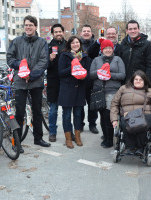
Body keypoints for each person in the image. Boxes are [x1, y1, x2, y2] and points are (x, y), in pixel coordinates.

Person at [7, 15, 51, 153]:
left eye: (31, 25)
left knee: (37, 111)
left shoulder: (42, 42)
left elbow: (44, 61)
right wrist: (20, 65)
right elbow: (9, 58)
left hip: (36, 82)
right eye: (26, 25)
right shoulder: (16, 41)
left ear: (35, 27)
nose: (28, 27)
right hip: (20, 82)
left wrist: (31, 75)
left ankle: (38, 138)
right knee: (19, 113)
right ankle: (17, 141)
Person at [110, 70, 151, 155]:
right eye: (136, 79)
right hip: (127, 115)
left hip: (145, 114)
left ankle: (141, 147)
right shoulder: (123, 89)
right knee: (126, 125)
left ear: (145, 81)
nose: (138, 81)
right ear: (132, 80)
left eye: (141, 80)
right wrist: (114, 120)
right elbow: (114, 104)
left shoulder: (150, 92)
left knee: (141, 125)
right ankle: (131, 147)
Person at [90, 39, 126, 148]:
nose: (108, 50)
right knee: (102, 115)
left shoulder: (117, 59)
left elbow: (122, 75)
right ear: (102, 49)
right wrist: (99, 72)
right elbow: (91, 75)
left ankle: (110, 139)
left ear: (113, 49)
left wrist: (110, 74)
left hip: (112, 91)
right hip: (99, 91)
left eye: (110, 48)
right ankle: (105, 136)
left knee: (109, 116)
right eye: (105, 48)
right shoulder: (96, 60)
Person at [58, 36, 91, 149]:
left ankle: (77, 136)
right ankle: (68, 138)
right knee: (66, 115)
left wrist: (83, 76)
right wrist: (73, 65)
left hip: (79, 89)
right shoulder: (64, 55)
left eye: (77, 42)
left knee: (78, 114)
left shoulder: (85, 56)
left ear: (80, 44)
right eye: (72, 43)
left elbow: (88, 73)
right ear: (69, 44)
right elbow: (61, 72)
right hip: (67, 89)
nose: (75, 44)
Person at [47, 24, 67, 142]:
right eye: (56, 32)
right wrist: (50, 59)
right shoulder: (48, 47)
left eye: (60, 31)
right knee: (53, 109)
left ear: (63, 32)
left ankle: (67, 133)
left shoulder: (67, 45)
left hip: (65, 82)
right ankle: (52, 132)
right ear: (52, 34)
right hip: (53, 81)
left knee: (66, 110)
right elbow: (45, 65)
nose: (58, 33)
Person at [80, 24, 99, 134]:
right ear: (81, 33)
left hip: (92, 79)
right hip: (80, 80)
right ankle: (80, 124)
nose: (86, 33)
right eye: (84, 31)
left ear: (91, 33)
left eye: (88, 31)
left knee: (93, 105)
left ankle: (92, 124)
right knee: (80, 105)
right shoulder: (77, 44)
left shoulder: (96, 44)